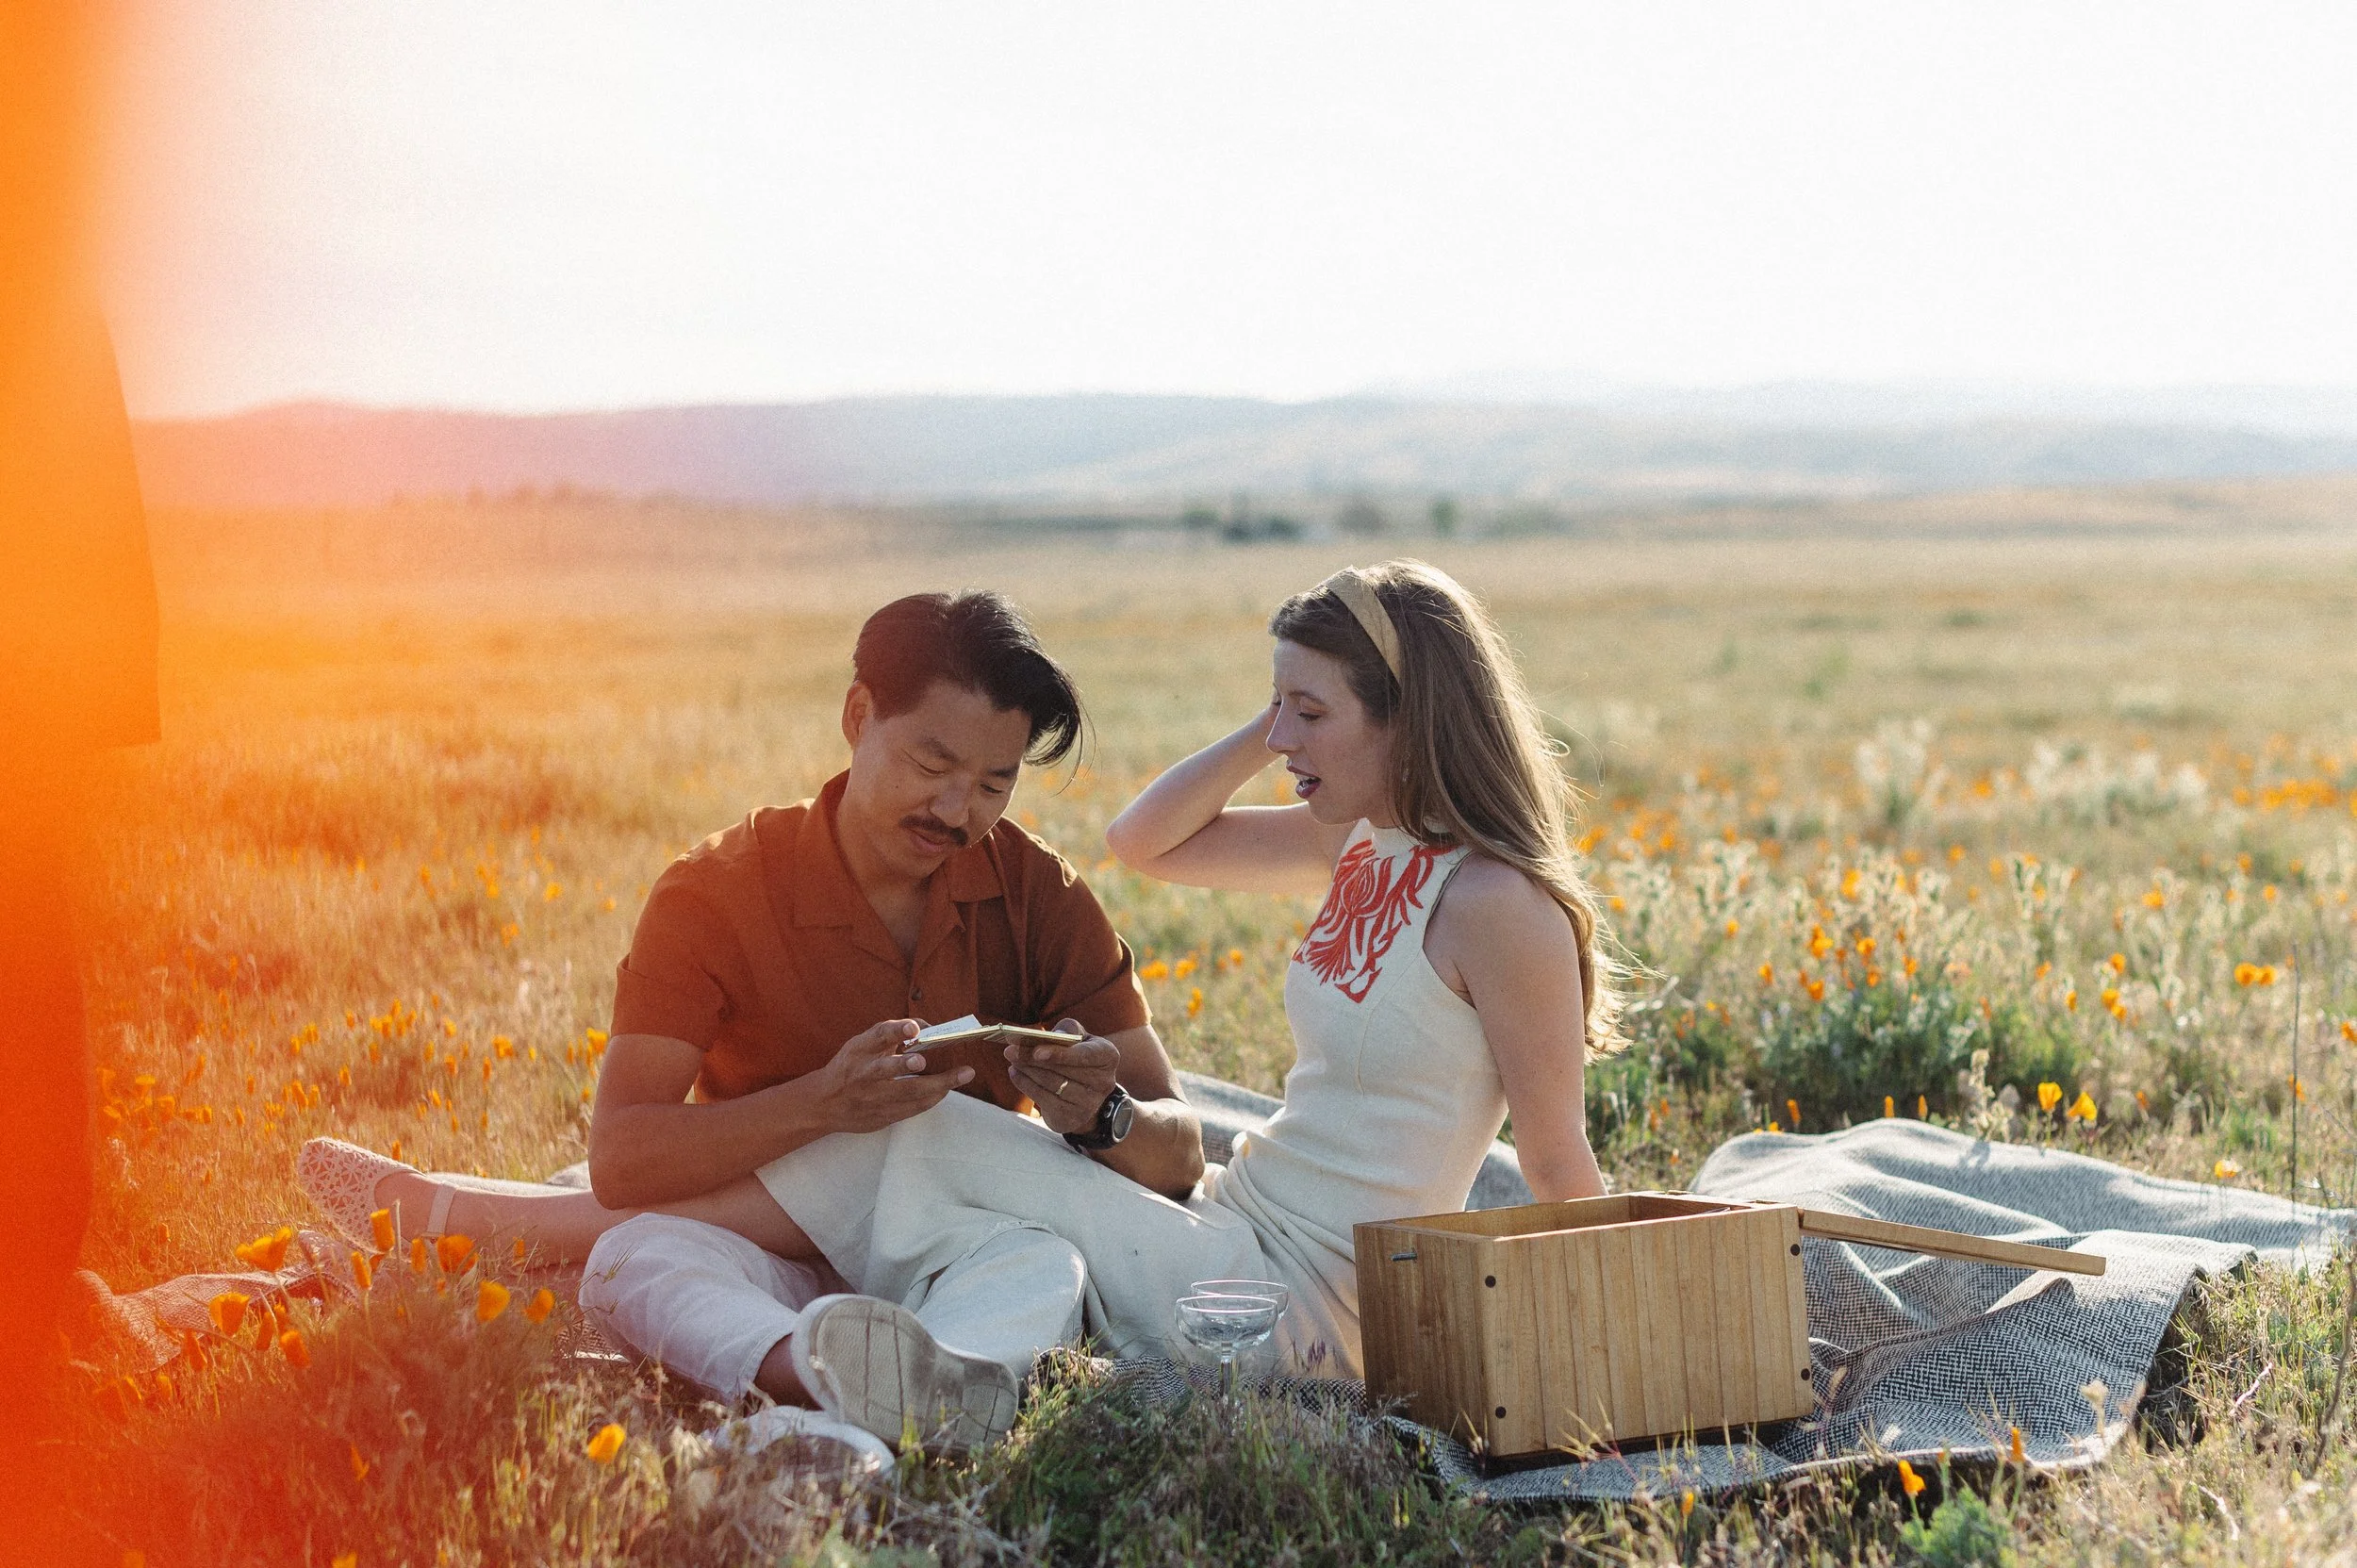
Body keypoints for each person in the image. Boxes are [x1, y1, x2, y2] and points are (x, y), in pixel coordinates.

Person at [543, 559, 1619, 1452]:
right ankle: (855, 1406)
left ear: (1408, 715)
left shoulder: (1498, 907)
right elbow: (1145, 841)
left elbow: (1562, 1159)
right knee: (988, 1216)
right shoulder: (1364, 844)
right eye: (1276, 707)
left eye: (1310, 712)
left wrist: (1615, 1380)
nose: (1283, 740)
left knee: (920, 1120)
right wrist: (1279, 717)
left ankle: (563, 1235)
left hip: (1304, 1307)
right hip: (1230, 1228)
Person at [298, 590, 1205, 1448]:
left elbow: (1183, 1151)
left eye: (994, 784)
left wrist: (1103, 1117)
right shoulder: (717, 890)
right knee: (633, 1257)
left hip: (955, 1241)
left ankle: (891, 1392)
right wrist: (821, 1104)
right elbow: (624, 1156)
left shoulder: (1038, 891)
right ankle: (819, 1386)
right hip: (759, 1247)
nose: (956, 811)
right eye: (932, 765)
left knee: (1047, 1270)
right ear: (857, 716)